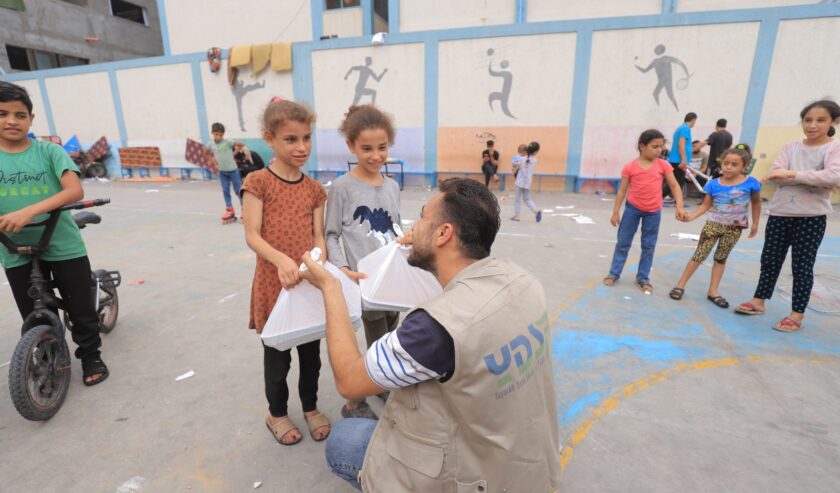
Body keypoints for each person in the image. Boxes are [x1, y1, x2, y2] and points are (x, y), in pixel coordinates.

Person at [303, 178, 560, 492]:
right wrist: (422, 252)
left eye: (423, 217)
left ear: (444, 233)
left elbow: (348, 380)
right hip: (528, 463)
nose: (413, 227)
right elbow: (461, 297)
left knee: (343, 442)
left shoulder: (432, 329)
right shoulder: (525, 281)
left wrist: (331, 288)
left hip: (474, 477)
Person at [0, 81, 108, 386]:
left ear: (31, 119)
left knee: (81, 309)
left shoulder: (49, 151)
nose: (11, 120)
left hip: (61, 244)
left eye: (20, 115)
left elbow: (73, 189)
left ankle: (90, 356)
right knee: (35, 313)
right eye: (2, 113)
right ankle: (48, 359)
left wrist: (29, 210)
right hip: (13, 248)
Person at [241, 99, 331, 445]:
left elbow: (319, 236)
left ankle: (310, 407)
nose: (301, 147)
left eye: (306, 138)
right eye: (291, 139)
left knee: (311, 357)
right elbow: (252, 234)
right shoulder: (258, 182)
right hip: (273, 284)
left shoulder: (314, 190)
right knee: (277, 360)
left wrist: (316, 261)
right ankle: (276, 413)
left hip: (306, 285)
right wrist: (281, 260)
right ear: (270, 138)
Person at [735, 100, 840, 332]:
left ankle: (796, 314)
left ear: (834, 121)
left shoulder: (833, 148)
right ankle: (758, 301)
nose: (812, 125)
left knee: (802, 266)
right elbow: (775, 174)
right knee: (769, 260)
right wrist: (813, 177)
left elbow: (834, 177)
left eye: (820, 120)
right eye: (808, 120)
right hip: (780, 213)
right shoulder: (791, 147)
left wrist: (792, 173)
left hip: (811, 217)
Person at [325, 104, 401, 420]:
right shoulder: (342, 188)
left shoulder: (393, 185)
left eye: (381, 147)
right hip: (366, 282)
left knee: (393, 333)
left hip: (394, 280)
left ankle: (382, 382)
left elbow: (396, 228)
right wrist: (343, 269)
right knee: (377, 341)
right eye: (366, 148)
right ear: (351, 146)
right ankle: (363, 394)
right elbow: (330, 234)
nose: (375, 155)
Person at [669, 145, 761, 307]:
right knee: (699, 255)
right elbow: (705, 206)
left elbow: (756, 202)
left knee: (720, 258)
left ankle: (713, 291)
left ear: (744, 167)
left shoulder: (751, 183)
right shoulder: (713, 184)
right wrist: (691, 218)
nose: (729, 167)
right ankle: (680, 285)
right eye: (726, 163)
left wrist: (755, 223)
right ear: (721, 164)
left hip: (734, 229)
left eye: (734, 164)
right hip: (713, 225)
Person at [605, 129, 688, 294]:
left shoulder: (663, 165)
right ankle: (614, 273)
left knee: (648, 246)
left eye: (661, 146)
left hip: (653, 212)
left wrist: (679, 206)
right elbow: (622, 191)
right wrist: (616, 212)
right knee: (623, 243)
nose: (659, 150)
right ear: (642, 146)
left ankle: (643, 278)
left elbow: (674, 186)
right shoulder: (630, 167)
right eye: (655, 146)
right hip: (632, 210)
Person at [205, 122, 242, 223]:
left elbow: (240, 145)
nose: (219, 137)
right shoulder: (210, 144)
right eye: (216, 134)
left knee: (238, 191)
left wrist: (237, 149)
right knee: (225, 191)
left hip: (233, 171)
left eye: (221, 135)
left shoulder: (227, 142)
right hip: (222, 172)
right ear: (212, 133)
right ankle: (230, 210)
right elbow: (206, 152)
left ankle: (244, 211)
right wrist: (212, 159)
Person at [664, 112, 697, 202]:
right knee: (677, 182)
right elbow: (681, 144)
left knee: (676, 182)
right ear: (693, 120)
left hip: (676, 160)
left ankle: (676, 200)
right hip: (678, 160)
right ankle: (674, 200)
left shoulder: (681, 128)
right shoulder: (685, 128)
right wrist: (683, 160)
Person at [511, 141, 542, 222]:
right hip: (527, 183)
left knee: (517, 199)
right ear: (535, 152)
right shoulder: (534, 160)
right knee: (527, 199)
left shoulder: (521, 159)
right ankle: (535, 211)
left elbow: (514, 164)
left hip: (519, 182)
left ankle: (516, 215)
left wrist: (515, 164)